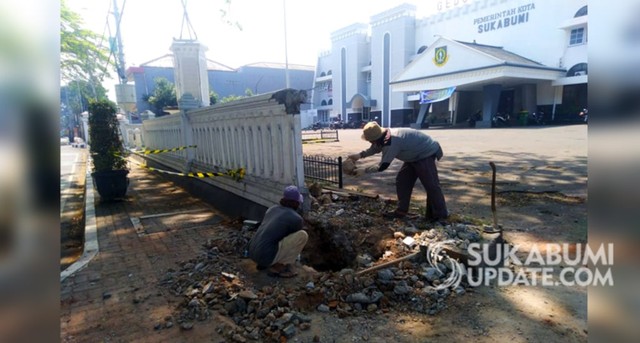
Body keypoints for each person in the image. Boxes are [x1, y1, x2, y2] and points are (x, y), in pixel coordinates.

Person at [347, 121, 448, 221]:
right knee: (402, 181)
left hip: (425, 152)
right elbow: (375, 148)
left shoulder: (391, 142)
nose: (370, 142)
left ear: (377, 138)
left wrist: (364, 170)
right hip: (412, 155)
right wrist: (360, 155)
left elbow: (383, 166)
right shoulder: (383, 136)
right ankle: (402, 211)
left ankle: (440, 216)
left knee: (431, 185)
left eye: (371, 141)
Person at [248, 185, 308, 278]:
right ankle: (278, 267)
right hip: (265, 256)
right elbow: (292, 240)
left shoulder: (272, 209)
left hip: (252, 252)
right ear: (296, 203)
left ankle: (265, 262)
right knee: (302, 235)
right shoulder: (296, 218)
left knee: (273, 238)